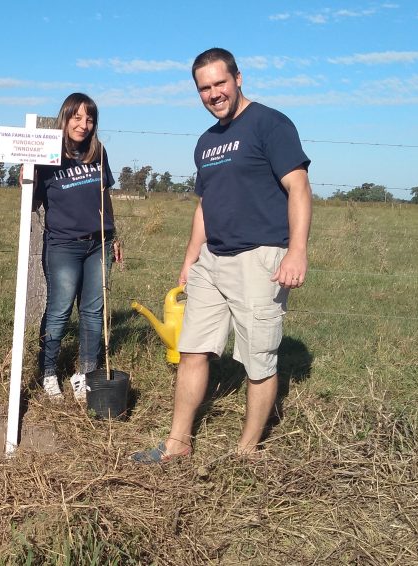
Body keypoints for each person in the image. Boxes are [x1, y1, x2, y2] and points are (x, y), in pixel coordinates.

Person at [132, 47, 312, 462]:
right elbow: (205, 205)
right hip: (212, 260)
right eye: (205, 88)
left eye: (220, 83)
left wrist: (297, 251)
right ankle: (177, 444)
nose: (214, 93)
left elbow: (298, 187)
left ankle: (246, 452)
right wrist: (191, 257)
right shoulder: (206, 142)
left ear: (238, 79)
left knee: (257, 360)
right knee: (193, 350)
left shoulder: (270, 123)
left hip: (260, 260)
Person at [32, 92, 123, 402]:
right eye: (77, 117)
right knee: (59, 310)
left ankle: (85, 373)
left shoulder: (98, 152)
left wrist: (114, 233)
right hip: (63, 245)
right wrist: (27, 179)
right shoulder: (47, 154)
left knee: (93, 312)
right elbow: (32, 205)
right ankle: (47, 372)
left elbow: (104, 195)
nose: (84, 124)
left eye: (90, 118)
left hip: (99, 244)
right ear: (65, 117)